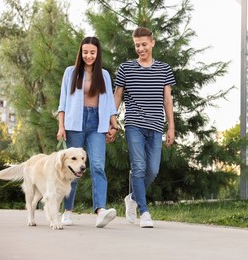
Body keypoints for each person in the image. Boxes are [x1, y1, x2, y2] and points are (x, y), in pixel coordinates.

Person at [112, 26, 176, 228]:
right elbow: (117, 96)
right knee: (138, 167)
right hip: (134, 125)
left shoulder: (164, 69)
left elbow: (167, 100)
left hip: (156, 126)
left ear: (152, 43)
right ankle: (145, 212)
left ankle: (132, 197)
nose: (141, 48)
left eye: (144, 45)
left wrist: (171, 127)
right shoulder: (126, 68)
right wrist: (112, 120)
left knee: (153, 169)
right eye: (137, 45)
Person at [57, 36, 119, 228]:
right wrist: (61, 126)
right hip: (74, 123)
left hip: (97, 124)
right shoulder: (71, 72)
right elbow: (63, 102)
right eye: (85, 52)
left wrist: (114, 125)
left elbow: (109, 103)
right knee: (73, 169)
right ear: (81, 52)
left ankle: (100, 211)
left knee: (98, 166)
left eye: (92, 52)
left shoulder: (105, 75)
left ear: (98, 53)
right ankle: (67, 212)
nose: (89, 55)